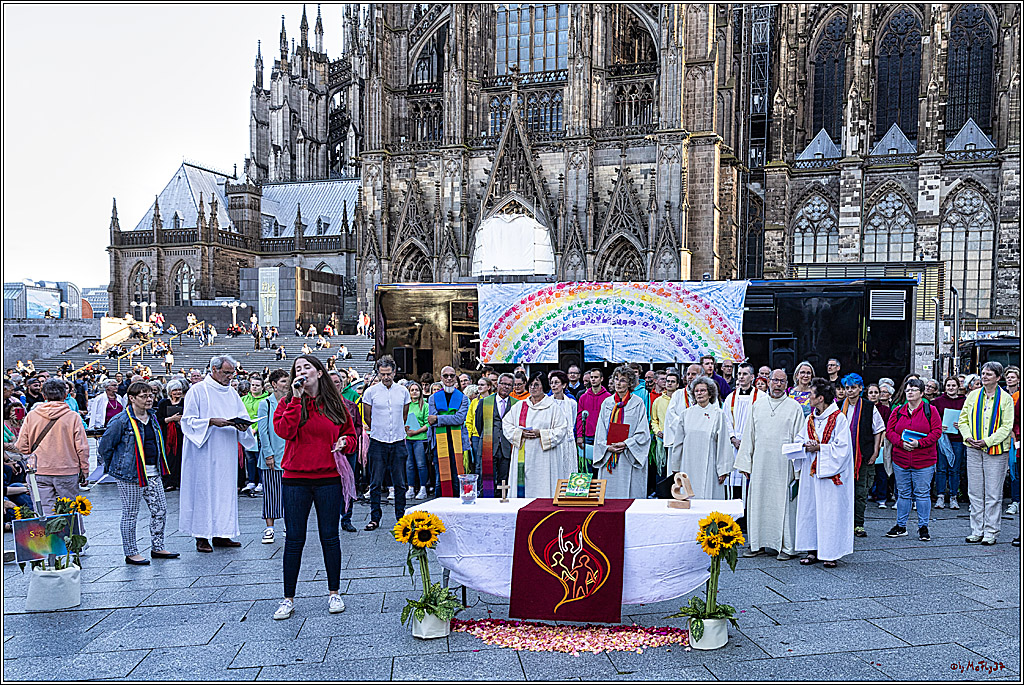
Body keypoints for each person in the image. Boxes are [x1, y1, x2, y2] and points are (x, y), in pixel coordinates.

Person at [272, 355, 357, 620]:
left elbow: (353, 436)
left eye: (307, 367)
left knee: (330, 536)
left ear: (319, 372)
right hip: (295, 478)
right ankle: (288, 598)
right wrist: (296, 399)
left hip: (328, 477)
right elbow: (285, 431)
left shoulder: (337, 405)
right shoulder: (287, 403)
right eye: (297, 369)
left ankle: (334, 592)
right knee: (294, 539)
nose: (302, 372)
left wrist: (345, 443)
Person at [179, 355, 256, 553]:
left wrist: (241, 426)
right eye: (227, 373)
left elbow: (243, 417)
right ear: (214, 370)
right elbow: (187, 422)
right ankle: (202, 536)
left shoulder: (231, 393)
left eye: (232, 373)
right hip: (203, 452)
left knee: (225, 490)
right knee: (203, 490)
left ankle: (223, 533)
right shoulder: (198, 390)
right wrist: (211, 421)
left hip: (226, 450)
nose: (231, 377)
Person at [98, 382, 179, 564]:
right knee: (130, 513)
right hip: (130, 475)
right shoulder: (121, 420)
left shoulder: (153, 418)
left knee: (160, 510)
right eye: (144, 396)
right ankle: (131, 551)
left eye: (150, 395)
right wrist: (117, 467)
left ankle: (158, 547)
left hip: (153, 472)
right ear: (132, 398)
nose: (149, 399)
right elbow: (105, 447)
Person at [736, 369, 805, 560]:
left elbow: (799, 439)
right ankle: (757, 544)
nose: (778, 384)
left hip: (784, 465)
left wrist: (797, 470)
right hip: (760, 464)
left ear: (787, 383)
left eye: (782, 381)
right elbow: (749, 435)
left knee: (783, 505)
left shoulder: (794, 407)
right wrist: (746, 464)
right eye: (775, 380)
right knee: (758, 502)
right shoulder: (757, 405)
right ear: (768, 381)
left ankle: (786, 547)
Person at [794, 378, 853, 568]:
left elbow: (843, 448)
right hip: (811, 475)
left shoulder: (839, 418)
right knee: (810, 510)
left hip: (830, 476)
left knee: (829, 512)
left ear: (820, 398)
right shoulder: (809, 419)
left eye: (811, 394)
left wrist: (820, 448)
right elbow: (800, 437)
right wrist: (804, 445)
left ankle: (830, 553)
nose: (807, 397)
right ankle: (812, 550)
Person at [959, 361, 1016, 545]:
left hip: (996, 450)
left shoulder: (1005, 398)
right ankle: (976, 530)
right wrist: (968, 437)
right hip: (973, 448)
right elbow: (963, 419)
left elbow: (1006, 426)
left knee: (993, 493)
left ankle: (991, 531)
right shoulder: (973, 395)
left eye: (989, 374)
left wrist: (987, 441)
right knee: (974, 492)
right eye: (983, 373)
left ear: (998, 378)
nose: (984, 376)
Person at [15, 379, 90, 515]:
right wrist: (84, 469)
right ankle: (70, 536)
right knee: (69, 511)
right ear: (65, 395)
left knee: (44, 510)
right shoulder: (73, 417)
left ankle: (50, 536)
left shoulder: (32, 416)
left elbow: (21, 446)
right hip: (67, 470)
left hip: (39, 470)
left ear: (44, 396)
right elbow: (82, 447)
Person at [884, 378, 942, 542]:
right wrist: (901, 443)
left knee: (922, 494)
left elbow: (936, 432)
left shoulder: (931, 410)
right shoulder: (897, 411)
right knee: (902, 494)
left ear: (922, 393)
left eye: (914, 389)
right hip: (901, 459)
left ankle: (923, 527)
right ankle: (901, 526)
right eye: (907, 389)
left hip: (924, 461)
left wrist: (919, 443)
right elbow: (889, 432)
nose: (909, 392)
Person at [360, 356, 410, 531]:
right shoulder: (370, 392)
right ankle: (375, 517)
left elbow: (404, 414)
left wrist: (396, 429)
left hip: (397, 440)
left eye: (388, 374)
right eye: (382, 374)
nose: (386, 377)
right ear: (378, 373)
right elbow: (367, 416)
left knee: (400, 482)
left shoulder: (403, 391)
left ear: (394, 372)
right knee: (375, 482)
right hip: (378, 440)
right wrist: (378, 430)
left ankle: (401, 517)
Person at [664, 376, 733, 499]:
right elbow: (679, 442)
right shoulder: (686, 414)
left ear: (710, 393)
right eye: (697, 391)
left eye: (703, 390)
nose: (699, 393)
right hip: (688, 465)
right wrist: (675, 466)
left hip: (710, 466)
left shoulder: (718, 414)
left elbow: (723, 443)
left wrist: (723, 469)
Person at [502, 372, 569, 498]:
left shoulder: (552, 407)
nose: (533, 387)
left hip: (544, 456)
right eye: (531, 385)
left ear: (543, 386)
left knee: (543, 486)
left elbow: (561, 430)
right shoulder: (520, 406)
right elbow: (506, 424)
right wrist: (520, 433)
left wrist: (541, 434)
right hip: (523, 452)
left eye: (536, 384)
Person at [592, 365, 651, 498]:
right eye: (616, 379)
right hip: (609, 454)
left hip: (628, 454)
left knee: (629, 494)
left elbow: (643, 432)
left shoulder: (638, 403)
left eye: (623, 380)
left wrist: (626, 444)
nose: (618, 383)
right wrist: (607, 447)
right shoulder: (607, 403)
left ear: (630, 383)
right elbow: (600, 430)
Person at [839, 374, 885, 538]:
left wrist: (875, 452)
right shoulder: (838, 407)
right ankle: (843, 523)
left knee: (860, 492)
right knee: (842, 491)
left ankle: (858, 524)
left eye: (853, 387)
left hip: (862, 455)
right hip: (842, 457)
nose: (850, 391)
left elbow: (878, 430)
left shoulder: (868, 407)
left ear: (860, 388)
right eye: (847, 387)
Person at [256, 369, 289, 543]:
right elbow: (263, 431)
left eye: (287, 381)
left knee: (289, 493)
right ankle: (269, 528)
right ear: (274, 384)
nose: (287, 385)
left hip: (289, 456)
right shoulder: (265, 404)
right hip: (271, 454)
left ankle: (288, 524)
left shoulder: (292, 402)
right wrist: (268, 454)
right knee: (270, 492)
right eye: (283, 381)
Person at [428, 366, 469, 497]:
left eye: (452, 375)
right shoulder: (433, 398)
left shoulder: (462, 398)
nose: (449, 378)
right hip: (439, 443)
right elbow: (431, 419)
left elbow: (459, 419)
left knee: (457, 476)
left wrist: (438, 418)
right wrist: (448, 418)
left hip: (457, 442)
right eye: (446, 376)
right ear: (441, 378)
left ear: (455, 377)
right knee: (440, 477)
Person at [475, 373, 516, 496]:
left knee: (504, 480)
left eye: (509, 385)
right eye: (503, 383)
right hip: (489, 445)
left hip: (507, 447)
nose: (506, 387)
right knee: (487, 480)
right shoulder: (485, 402)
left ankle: (503, 505)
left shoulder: (516, 404)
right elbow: (479, 424)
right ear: (497, 385)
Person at [723, 363, 759, 503]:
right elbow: (726, 419)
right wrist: (733, 438)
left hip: (751, 446)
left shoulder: (761, 397)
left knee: (749, 481)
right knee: (733, 483)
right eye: (739, 374)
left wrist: (747, 440)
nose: (741, 377)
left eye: (745, 374)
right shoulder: (730, 398)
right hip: (733, 445)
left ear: (752, 377)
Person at [931, 377, 965, 510]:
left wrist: (961, 425)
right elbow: (932, 419)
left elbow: (969, 418)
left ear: (958, 387)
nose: (951, 388)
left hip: (957, 439)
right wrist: (939, 425)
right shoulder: (936, 402)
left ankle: (953, 497)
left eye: (953, 385)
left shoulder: (964, 401)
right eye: (948, 385)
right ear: (945, 388)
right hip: (942, 439)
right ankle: (940, 496)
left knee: (955, 470)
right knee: (941, 468)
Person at [575, 369, 611, 475]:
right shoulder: (583, 397)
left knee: (602, 466)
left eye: (596, 377)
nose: (593, 380)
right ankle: (589, 491)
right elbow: (579, 418)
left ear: (601, 379)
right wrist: (579, 436)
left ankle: (601, 490)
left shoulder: (608, 397)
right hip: (587, 436)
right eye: (592, 377)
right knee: (587, 469)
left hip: (603, 437)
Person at [241, 375, 270, 496]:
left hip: (258, 432)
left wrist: (255, 428)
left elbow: (264, 416)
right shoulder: (244, 399)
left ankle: (261, 482)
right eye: (253, 385)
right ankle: (251, 481)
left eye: (257, 385)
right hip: (247, 432)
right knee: (250, 458)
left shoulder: (266, 400)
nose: (254, 387)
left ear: (262, 387)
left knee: (259, 458)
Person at [548, 370, 579, 480]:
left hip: (567, 440)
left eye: (556, 382)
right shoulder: (547, 402)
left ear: (564, 384)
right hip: (552, 439)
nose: (553, 385)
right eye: (552, 383)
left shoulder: (571, 403)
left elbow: (573, 421)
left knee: (567, 469)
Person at [155, 379, 186, 491]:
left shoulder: (185, 402)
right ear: (169, 392)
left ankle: (180, 480)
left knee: (181, 457)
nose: (177, 392)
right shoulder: (164, 403)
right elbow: (158, 419)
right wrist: (171, 419)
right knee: (169, 457)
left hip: (181, 434)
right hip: (167, 435)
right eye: (175, 390)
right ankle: (169, 481)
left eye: (179, 390)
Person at [649, 369, 679, 483]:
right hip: (662, 440)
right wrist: (657, 431)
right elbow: (654, 420)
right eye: (668, 381)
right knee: (661, 468)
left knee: (675, 468)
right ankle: (661, 494)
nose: (669, 383)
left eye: (672, 381)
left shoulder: (681, 400)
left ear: (677, 384)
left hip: (676, 440)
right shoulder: (658, 401)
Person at [404, 381, 430, 501]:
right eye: (412, 390)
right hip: (407, 438)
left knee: (421, 464)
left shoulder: (425, 405)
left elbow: (428, 423)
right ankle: (410, 488)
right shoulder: (405, 405)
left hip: (420, 438)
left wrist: (417, 431)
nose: (414, 392)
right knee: (409, 465)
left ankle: (423, 488)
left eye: (416, 390)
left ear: (420, 392)